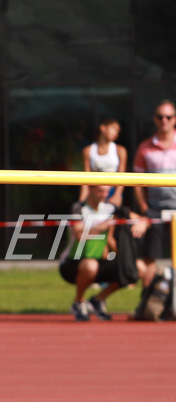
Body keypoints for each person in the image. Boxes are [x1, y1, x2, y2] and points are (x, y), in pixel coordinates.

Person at [59, 185, 148, 321]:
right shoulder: (79, 208)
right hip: (73, 262)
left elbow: (142, 219)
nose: (104, 195)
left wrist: (143, 223)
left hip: (101, 262)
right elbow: (79, 234)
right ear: (90, 189)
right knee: (91, 265)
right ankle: (78, 302)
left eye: (107, 191)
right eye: (100, 191)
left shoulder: (109, 208)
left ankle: (98, 299)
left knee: (138, 267)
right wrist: (103, 226)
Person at [133, 100, 176, 287]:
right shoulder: (145, 147)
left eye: (168, 116)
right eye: (160, 116)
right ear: (155, 119)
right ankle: (147, 304)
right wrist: (144, 208)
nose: (164, 120)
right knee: (150, 257)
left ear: (174, 119)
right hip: (155, 209)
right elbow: (136, 182)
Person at [79, 118, 128, 206]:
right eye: (113, 128)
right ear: (103, 128)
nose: (115, 133)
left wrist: (117, 195)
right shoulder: (88, 150)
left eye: (117, 131)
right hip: (95, 194)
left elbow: (122, 177)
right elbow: (85, 178)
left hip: (112, 192)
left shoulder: (120, 150)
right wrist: (82, 200)